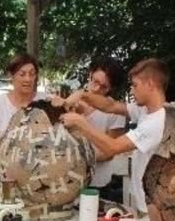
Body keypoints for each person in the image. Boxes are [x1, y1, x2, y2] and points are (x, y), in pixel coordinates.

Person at [60, 58, 169, 214]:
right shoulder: (145, 111)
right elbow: (109, 106)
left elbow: (113, 147)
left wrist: (80, 123)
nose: (131, 91)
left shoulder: (157, 122)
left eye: (135, 85)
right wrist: (81, 95)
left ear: (150, 84)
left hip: (152, 209)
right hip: (144, 203)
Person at [52, 57, 126, 188]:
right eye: (95, 81)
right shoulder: (70, 100)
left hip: (98, 183)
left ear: (110, 88)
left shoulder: (116, 112)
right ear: (90, 74)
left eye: (104, 87)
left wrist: (76, 157)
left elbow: (109, 153)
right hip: (67, 182)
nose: (97, 89)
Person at [0, 52, 48, 148]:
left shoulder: (46, 100)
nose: (28, 79)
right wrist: (17, 138)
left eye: (32, 74)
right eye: (22, 74)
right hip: (8, 161)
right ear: (11, 76)